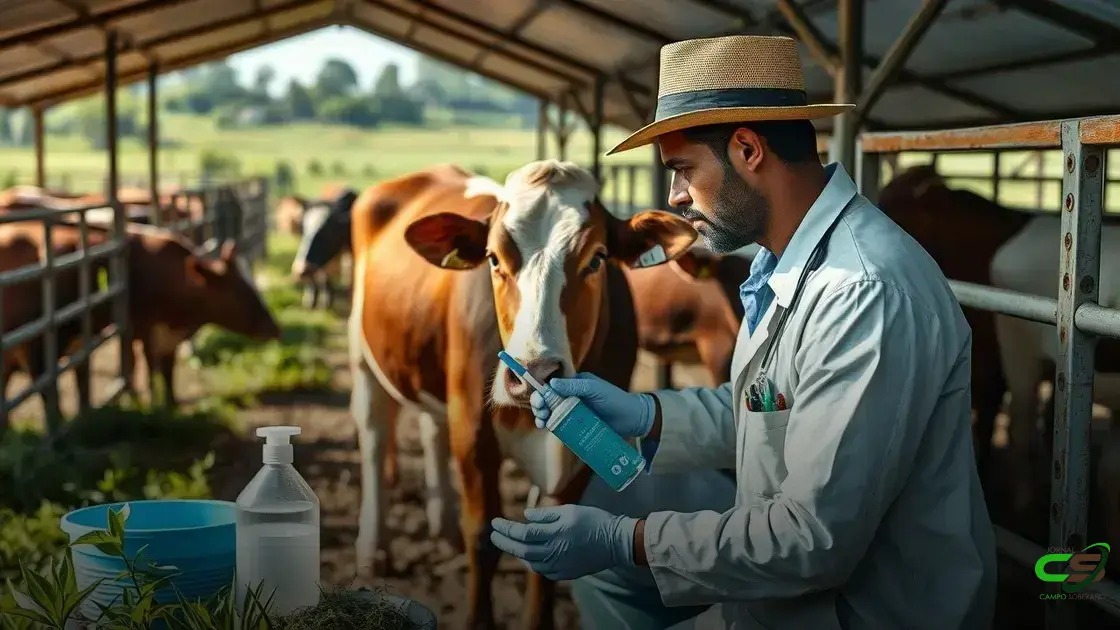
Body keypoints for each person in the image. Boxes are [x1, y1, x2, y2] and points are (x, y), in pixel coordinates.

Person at [489, 34, 997, 629]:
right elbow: (772, 407)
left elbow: (813, 539)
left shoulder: (862, 293)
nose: (675, 197)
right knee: (603, 512)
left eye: (682, 170)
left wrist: (630, 541)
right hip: (782, 597)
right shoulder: (784, 260)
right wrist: (645, 415)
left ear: (749, 149)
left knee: (610, 546)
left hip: (859, 610)